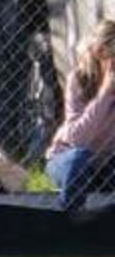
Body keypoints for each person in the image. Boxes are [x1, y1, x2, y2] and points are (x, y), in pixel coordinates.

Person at [45, 20, 115, 212]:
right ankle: (69, 223)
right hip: (68, 159)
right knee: (79, 157)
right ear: (100, 53)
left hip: (104, 166)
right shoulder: (78, 80)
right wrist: (104, 94)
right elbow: (77, 139)